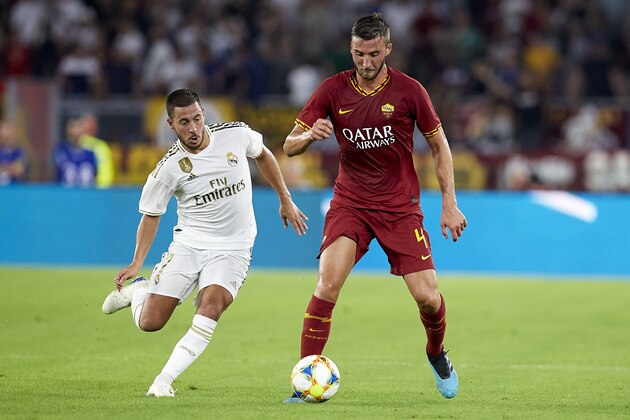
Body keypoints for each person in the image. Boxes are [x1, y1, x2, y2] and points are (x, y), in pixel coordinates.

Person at [282, 13, 467, 401]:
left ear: (387, 50)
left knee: (428, 298)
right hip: (351, 203)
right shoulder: (333, 90)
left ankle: (436, 352)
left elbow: (439, 145)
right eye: (358, 54)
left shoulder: (409, 91)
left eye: (373, 54)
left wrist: (449, 203)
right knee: (327, 285)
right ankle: (304, 384)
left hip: (400, 207)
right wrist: (309, 137)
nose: (365, 63)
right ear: (350, 50)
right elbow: (288, 145)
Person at [101, 88, 308, 397]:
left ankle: (163, 381)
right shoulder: (169, 168)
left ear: (204, 115)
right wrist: (135, 262)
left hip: (234, 249)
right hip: (189, 246)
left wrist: (285, 198)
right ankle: (141, 290)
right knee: (150, 323)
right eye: (184, 122)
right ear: (171, 125)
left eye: (197, 119)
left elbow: (263, 154)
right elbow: (151, 215)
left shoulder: (236, 135)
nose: (193, 128)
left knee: (213, 305)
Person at [53, 117, 97, 187]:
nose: (75, 131)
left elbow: (94, 177)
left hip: (86, 195)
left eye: (79, 126)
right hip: (64, 194)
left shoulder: (90, 154)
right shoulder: (61, 151)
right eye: (73, 126)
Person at [79, 114, 115, 188]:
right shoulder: (72, 146)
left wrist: (100, 190)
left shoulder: (101, 147)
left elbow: (106, 174)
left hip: (93, 191)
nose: (90, 127)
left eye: (92, 125)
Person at [0, 119, 27, 185]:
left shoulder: (19, 152)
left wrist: (3, 168)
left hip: (15, 191)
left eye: (8, 128)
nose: (6, 132)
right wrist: (11, 167)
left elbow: (19, 170)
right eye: (2, 129)